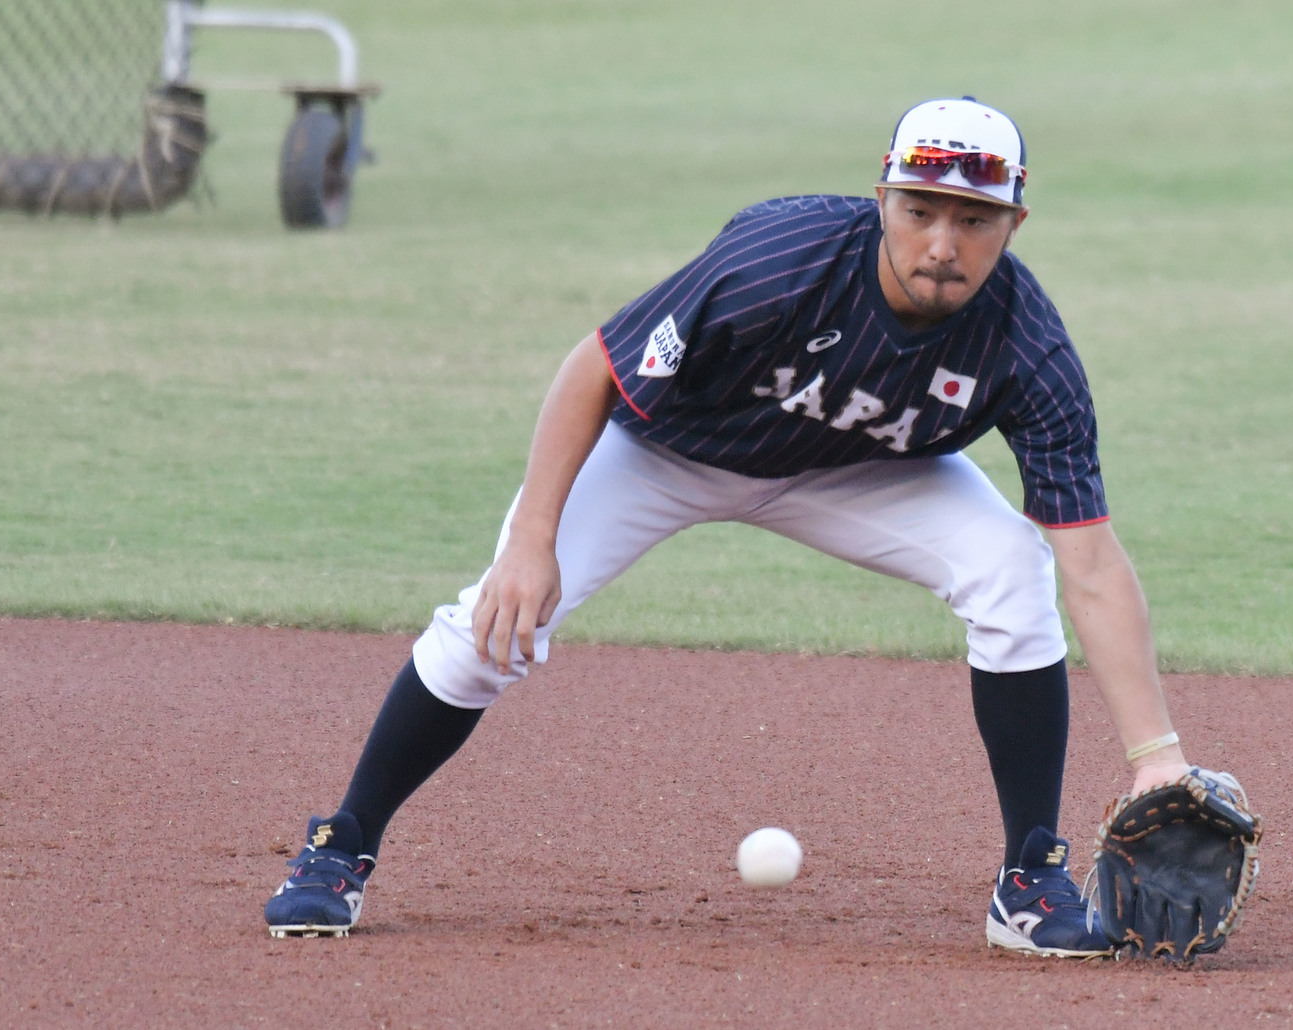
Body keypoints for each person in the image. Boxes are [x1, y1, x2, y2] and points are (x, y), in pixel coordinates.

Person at [264, 97, 1193, 958]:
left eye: (974, 220)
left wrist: (1158, 759)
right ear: (882, 201)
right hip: (665, 453)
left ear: (1013, 224)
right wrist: (529, 542)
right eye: (919, 210)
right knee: (491, 628)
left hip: (855, 471)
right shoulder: (779, 259)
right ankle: (340, 845)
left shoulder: (1027, 347)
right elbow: (594, 365)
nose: (942, 243)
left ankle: (1028, 879)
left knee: (1010, 568)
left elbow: (1093, 565)